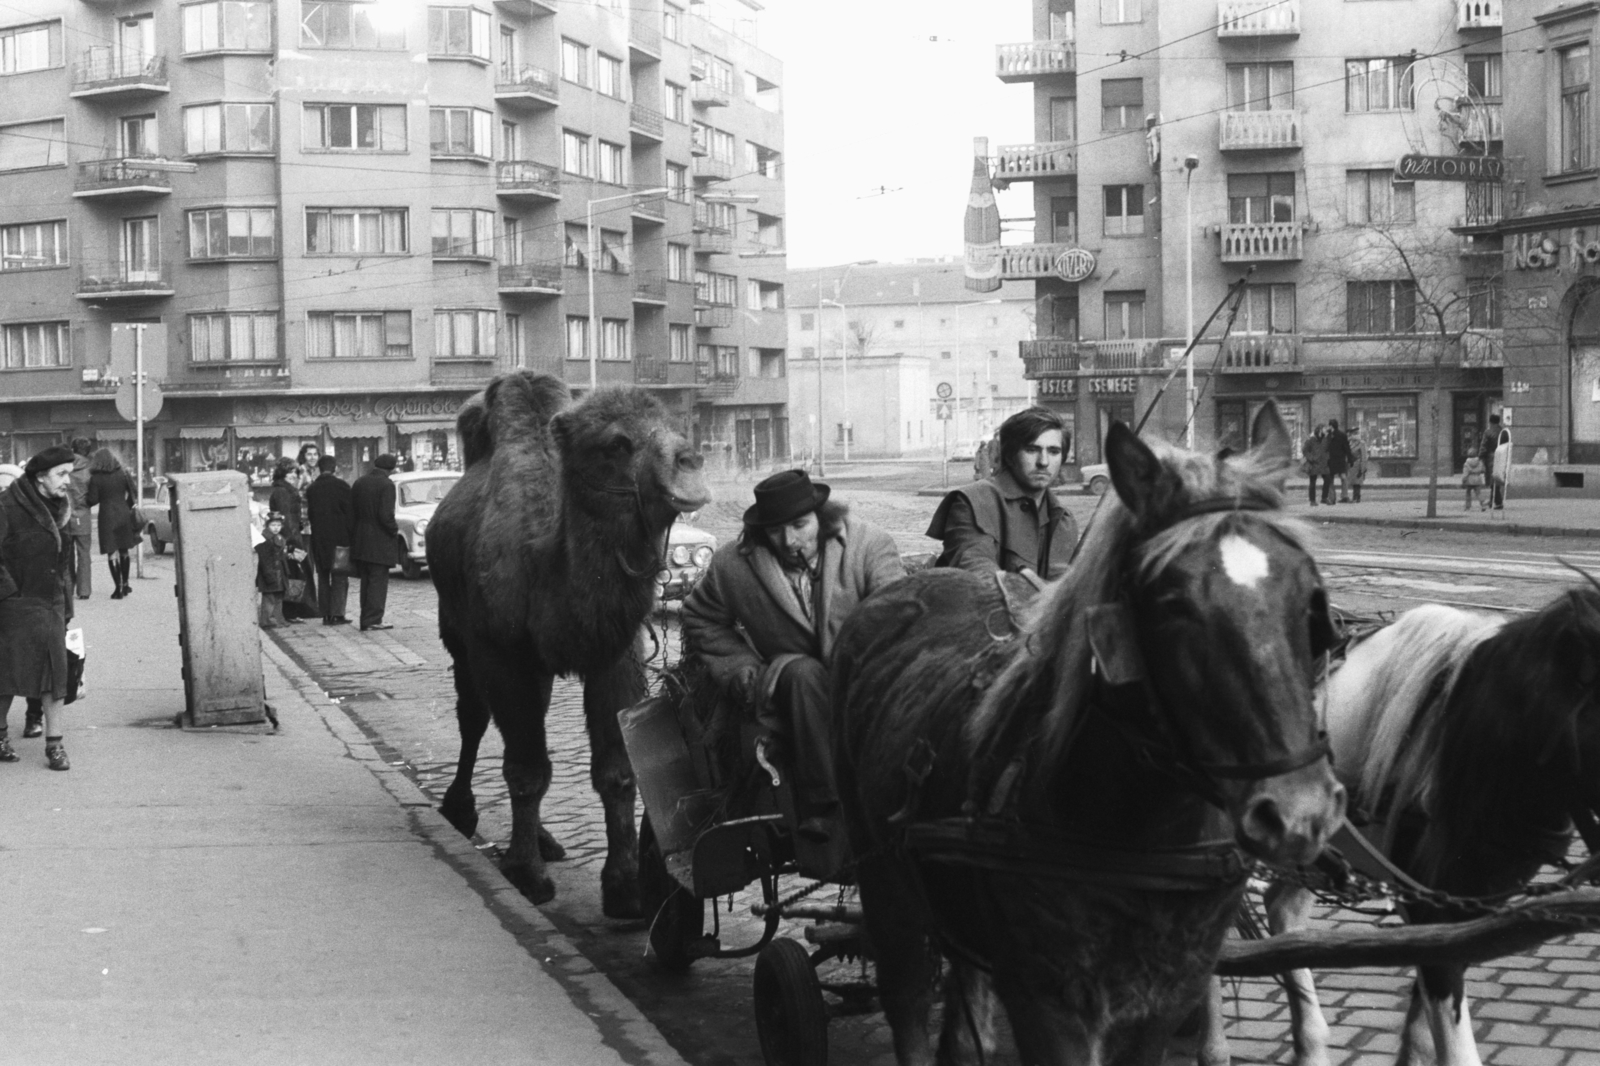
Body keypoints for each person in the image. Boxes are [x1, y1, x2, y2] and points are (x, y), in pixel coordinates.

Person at [682, 470, 905, 841]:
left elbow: (896, 612)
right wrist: (739, 666)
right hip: (790, 686)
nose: (788, 540)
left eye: (800, 525)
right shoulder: (733, 565)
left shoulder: (869, 545)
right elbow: (699, 616)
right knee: (804, 674)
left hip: (865, 679)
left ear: (822, 516)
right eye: (775, 530)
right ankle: (827, 807)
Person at [927, 407, 1078, 580]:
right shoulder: (973, 501)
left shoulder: (1064, 520)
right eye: (1031, 450)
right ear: (1010, 455)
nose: (1043, 462)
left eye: (1054, 451)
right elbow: (976, 569)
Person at [0, 445, 79, 770]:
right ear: (40, 477)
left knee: (54, 677)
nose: (67, 482)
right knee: (6, 677)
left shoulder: (61, 507)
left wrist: (68, 605)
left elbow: (65, 563)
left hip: (52, 604)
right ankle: (0, 736)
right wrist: (9, 594)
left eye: (69, 474)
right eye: (61, 474)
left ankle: (54, 745)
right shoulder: (7, 506)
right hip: (17, 606)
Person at [351, 452, 399, 631]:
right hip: (379, 540)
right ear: (391, 469)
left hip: (361, 538)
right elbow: (385, 515)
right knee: (378, 582)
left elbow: (352, 511)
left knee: (366, 581)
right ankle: (373, 619)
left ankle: (366, 617)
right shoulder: (387, 485)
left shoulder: (360, 482)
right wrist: (394, 530)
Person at [305, 455, 355, 626]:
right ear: (335, 468)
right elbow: (350, 514)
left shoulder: (312, 489)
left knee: (323, 577)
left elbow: (310, 515)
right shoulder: (342, 486)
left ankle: (325, 614)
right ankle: (338, 614)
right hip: (339, 539)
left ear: (319, 468)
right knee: (340, 576)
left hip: (319, 539)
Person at [85, 448, 139, 599]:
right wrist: (126, 505)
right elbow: (133, 492)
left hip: (107, 515)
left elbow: (93, 500)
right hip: (123, 513)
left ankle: (118, 588)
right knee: (124, 549)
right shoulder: (123, 473)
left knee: (111, 551)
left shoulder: (96, 478)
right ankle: (127, 583)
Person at [269, 458, 315, 618]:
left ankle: (294, 610)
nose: (294, 475)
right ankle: (292, 611)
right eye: (290, 472)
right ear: (282, 474)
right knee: (294, 574)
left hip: (292, 536)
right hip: (290, 539)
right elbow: (286, 519)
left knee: (295, 574)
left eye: (296, 472)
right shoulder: (282, 491)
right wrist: (292, 542)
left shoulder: (286, 489)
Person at [254, 512, 294, 629]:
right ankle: (267, 620)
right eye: (273, 525)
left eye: (278, 525)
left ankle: (279, 619)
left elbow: (280, 554)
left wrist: (289, 555)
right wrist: (268, 574)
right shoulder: (264, 539)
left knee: (279, 597)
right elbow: (264, 559)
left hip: (279, 571)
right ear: (267, 526)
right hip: (269, 572)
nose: (276, 528)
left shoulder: (279, 538)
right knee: (269, 598)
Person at [67, 438, 93, 600]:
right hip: (83, 516)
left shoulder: (65, 468)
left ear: (72, 449)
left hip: (67, 516)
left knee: (67, 555)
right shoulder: (90, 470)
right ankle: (84, 590)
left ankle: (68, 588)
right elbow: (94, 495)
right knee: (84, 554)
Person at [1479, 413, 1508, 510]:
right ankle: (1492, 501)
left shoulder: (1488, 432)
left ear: (1490, 421)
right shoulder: (1503, 432)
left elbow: (1484, 446)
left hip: (1491, 457)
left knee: (1493, 480)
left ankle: (1498, 502)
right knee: (1497, 479)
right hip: (1502, 456)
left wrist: (1481, 457)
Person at [1325, 419, 1352, 504]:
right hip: (1340, 460)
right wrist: (1350, 458)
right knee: (1343, 478)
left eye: (1329, 425)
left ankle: (1332, 498)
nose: (1328, 427)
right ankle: (1344, 496)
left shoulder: (1330, 436)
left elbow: (1325, 448)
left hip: (1332, 461)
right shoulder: (1340, 435)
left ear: (1331, 426)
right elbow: (1347, 448)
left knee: (1331, 480)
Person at [1301, 426, 1329, 507]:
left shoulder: (1325, 440)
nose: (1325, 431)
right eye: (1324, 429)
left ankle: (1324, 497)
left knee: (1327, 479)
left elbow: (1328, 450)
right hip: (1314, 464)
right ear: (1320, 430)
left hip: (1324, 464)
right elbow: (1305, 450)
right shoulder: (1311, 440)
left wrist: (1328, 458)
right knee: (1313, 482)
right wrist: (1311, 458)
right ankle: (1312, 500)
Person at [1347, 430, 1368, 504]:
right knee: (1354, 482)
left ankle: (1357, 497)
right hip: (1352, 466)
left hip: (1358, 465)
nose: (1351, 436)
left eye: (1353, 434)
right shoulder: (1350, 443)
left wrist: (1362, 468)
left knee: (1357, 482)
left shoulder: (1361, 443)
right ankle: (1355, 497)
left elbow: (1364, 456)